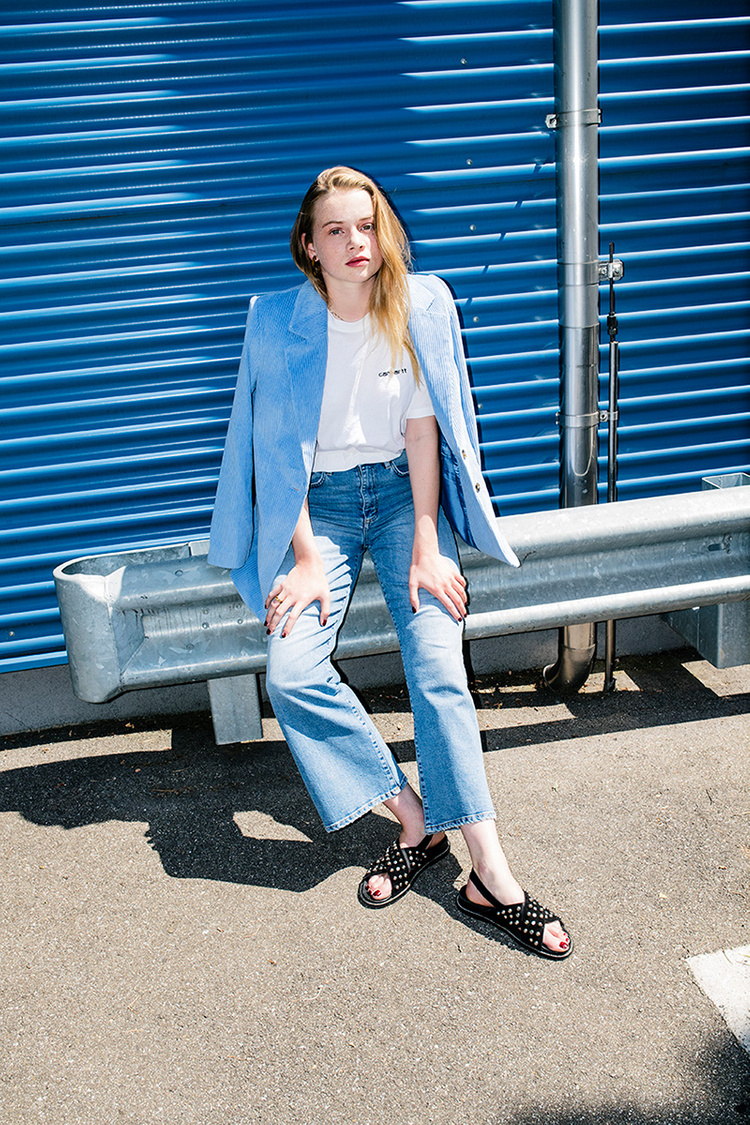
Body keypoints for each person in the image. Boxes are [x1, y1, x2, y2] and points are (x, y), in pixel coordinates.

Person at [208, 166, 572, 960]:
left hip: (408, 496)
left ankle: (490, 872)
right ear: (309, 245)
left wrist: (429, 544)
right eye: (335, 229)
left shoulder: (422, 303)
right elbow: (279, 453)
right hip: (319, 508)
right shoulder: (274, 321)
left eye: (366, 225)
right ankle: (414, 817)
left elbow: (423, 432)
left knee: (439, 662)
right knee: (292, 672)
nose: (355, 241)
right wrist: (305, 557)